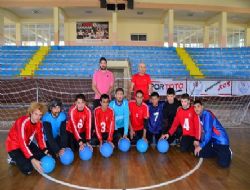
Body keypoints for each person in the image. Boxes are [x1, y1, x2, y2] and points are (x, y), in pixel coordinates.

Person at [6, 102, 48, 175]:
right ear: (31, 112)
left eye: (40, 115)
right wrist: (32, 159)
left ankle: (24, 156)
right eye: (36, 114)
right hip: (14, 146)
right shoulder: (22, 122)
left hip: (26, 143)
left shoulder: (39, 123)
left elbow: (40, 138)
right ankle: (12, 157)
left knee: (42, 157)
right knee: (28, 169)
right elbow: (21, 142)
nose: (37, 117)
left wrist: (45, 150)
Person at [193, 100, 232, 168]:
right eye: (195, 107)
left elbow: (208, 133)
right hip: (212, 142)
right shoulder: (199, 116)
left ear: (202, 107)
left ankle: (227, 151)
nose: (196, 108)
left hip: (221, 141)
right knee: (199, 153)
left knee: (223, 164)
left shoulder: (207, 114)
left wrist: (200, 146)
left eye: (198, 106)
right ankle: (218, 153)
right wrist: (197, 142)